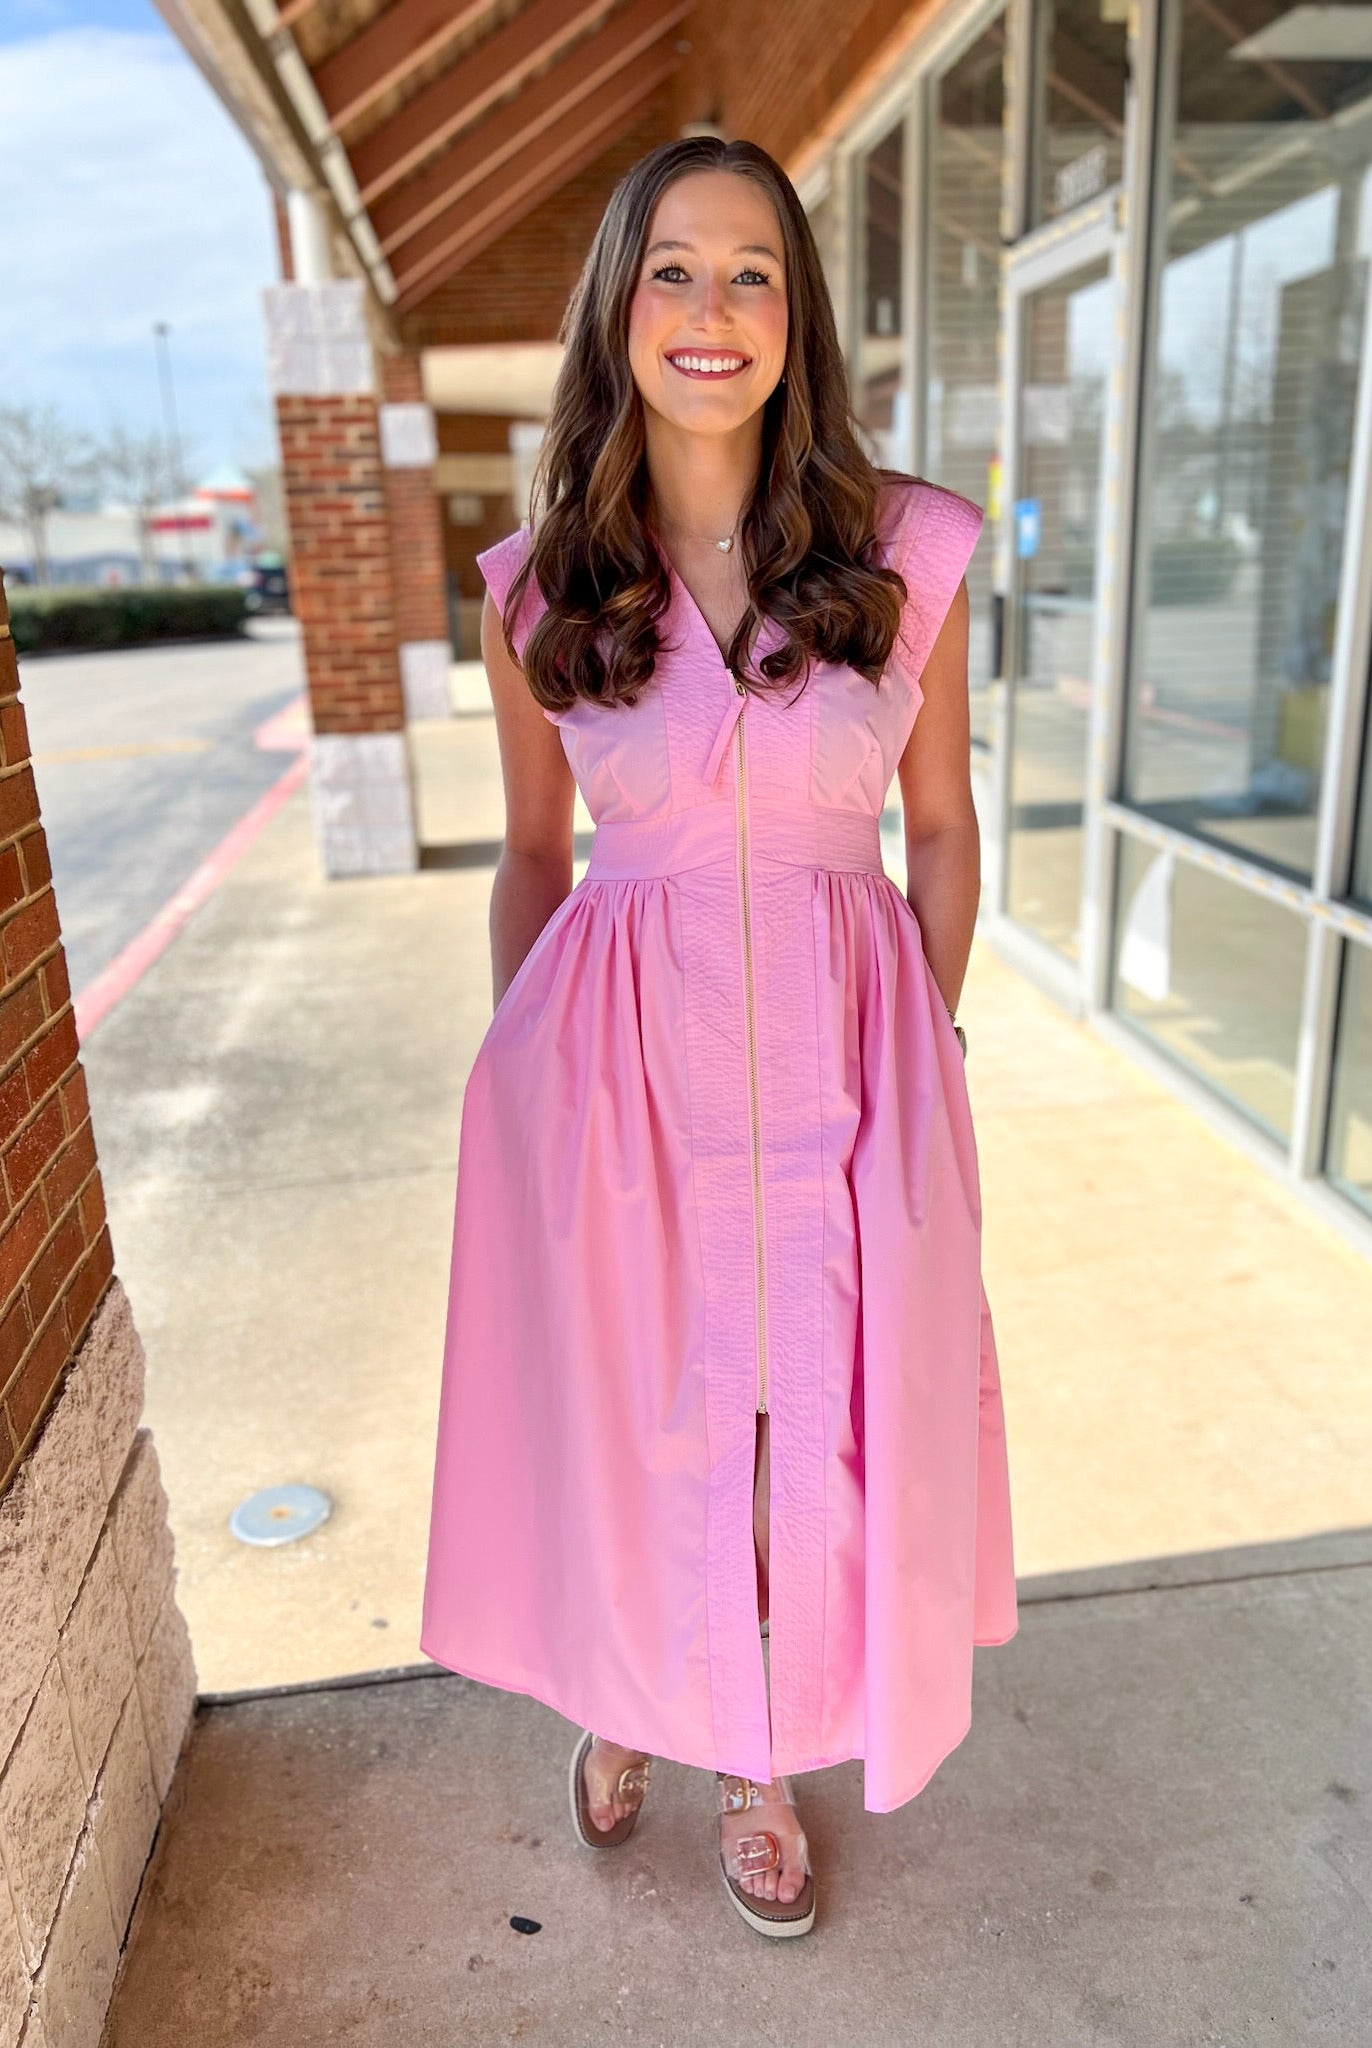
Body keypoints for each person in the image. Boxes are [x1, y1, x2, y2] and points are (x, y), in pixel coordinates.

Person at [421, 134, 1018, 1942]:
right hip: (619, 1081)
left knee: (802, 1426)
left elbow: (942, 825)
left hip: (851, 1068)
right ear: (619, 309)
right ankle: (633, 1691)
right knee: (640, 1413)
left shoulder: (906, 550)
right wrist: (529, 1076)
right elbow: (536, 852)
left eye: (752, 271)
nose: (712, 310)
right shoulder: (542, 584)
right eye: (672, 270)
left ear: (796, 313)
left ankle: (753, 1752)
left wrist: (933, 1029)